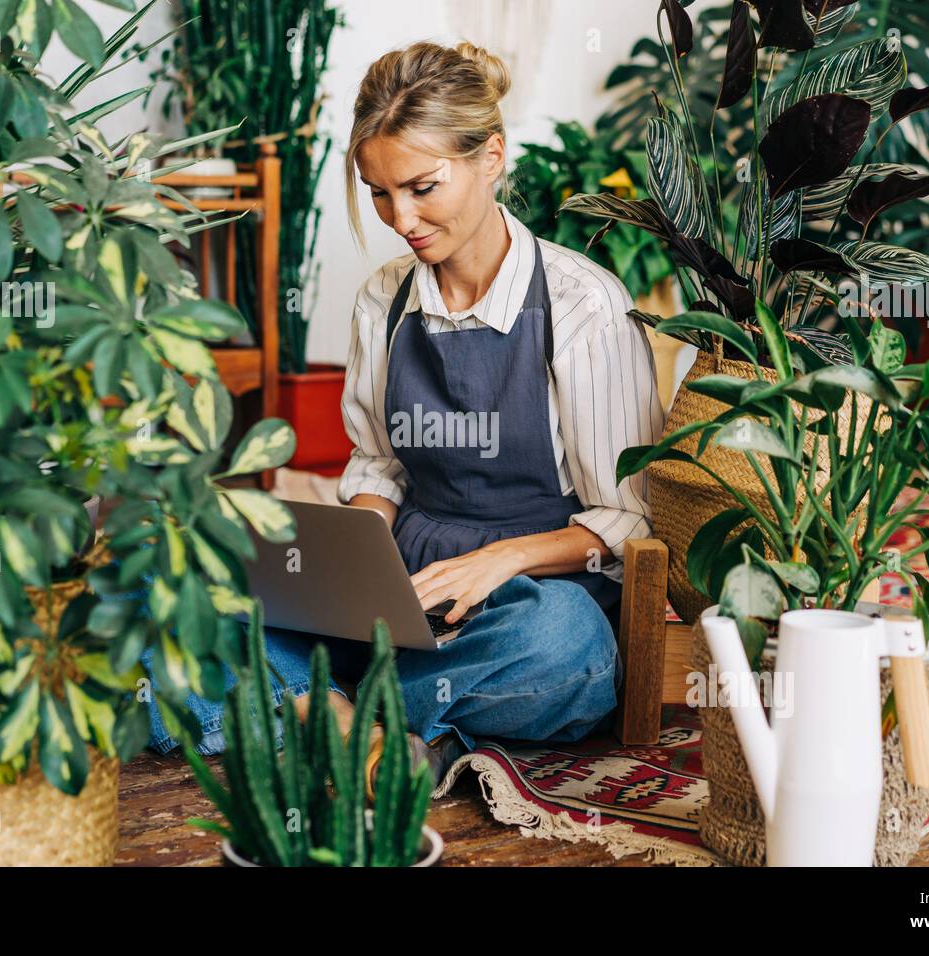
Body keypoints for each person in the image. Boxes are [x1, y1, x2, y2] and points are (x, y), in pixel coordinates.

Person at [143, 40, 667, 792]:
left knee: (567, 651)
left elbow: (625, 517)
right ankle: (372, 726)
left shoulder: (584, 305)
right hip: (401, 585)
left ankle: (310, 706)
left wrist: (502, 560)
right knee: (166, 594)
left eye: (422, 187)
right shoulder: (383, 299)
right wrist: (350, 566)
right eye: (379, 192)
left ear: (491, 156)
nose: (401, 219)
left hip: (531, 594)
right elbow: (380, 467)